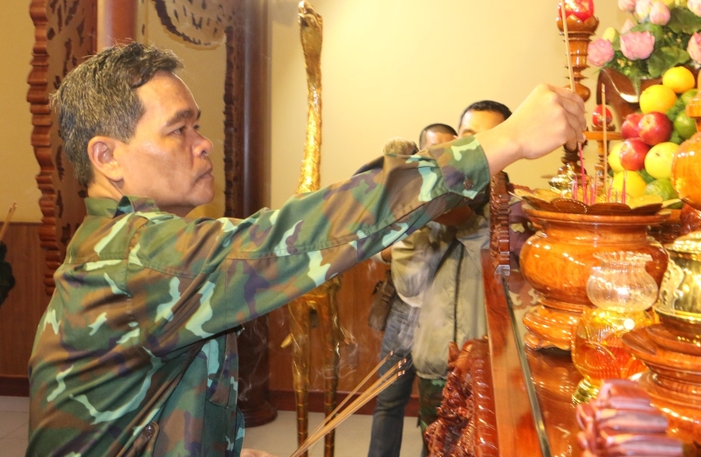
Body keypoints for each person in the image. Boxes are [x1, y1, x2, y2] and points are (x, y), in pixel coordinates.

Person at [27, 43, 585, 457]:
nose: (203, 144)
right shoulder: (137, 259)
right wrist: (503, 141)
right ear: (108, 156)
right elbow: (300, 233)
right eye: (179, 130)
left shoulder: (134, 246)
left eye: (198, 125)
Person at [410, 100, 532, 454]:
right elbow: (408, 283)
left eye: (491, 138)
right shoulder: (434, 200)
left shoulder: (525, 211)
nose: (474, 150)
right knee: (433, 444)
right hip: (435, 363)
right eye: (467, 138)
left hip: (494, 371)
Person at [367, 123, 458, 457]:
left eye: (449, 148)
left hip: (444, 313)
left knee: (436, 408)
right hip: (405, 308)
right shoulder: (405, 189)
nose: (440, 156)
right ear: (420, 152)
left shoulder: (462, 192)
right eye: (433, 149)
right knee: (388, 400)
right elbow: (382, 248)